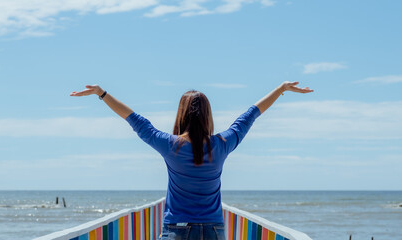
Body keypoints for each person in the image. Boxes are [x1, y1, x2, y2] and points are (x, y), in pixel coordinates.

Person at [70, 81, 313, 240]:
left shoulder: (169, 145)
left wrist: (101, 93)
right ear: (208, 115)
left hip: (177, 228)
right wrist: (281, 89)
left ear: (181, 114)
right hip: (214, 229)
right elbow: (251, 115)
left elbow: (133, 118)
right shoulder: (222, 144)